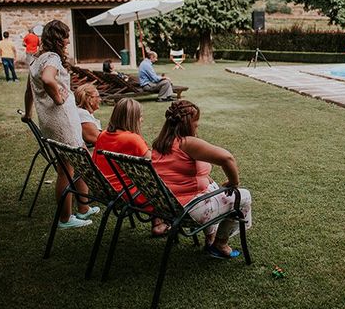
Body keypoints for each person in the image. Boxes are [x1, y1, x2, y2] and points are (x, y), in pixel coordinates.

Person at [152, 100, 252, 259]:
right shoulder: (186, 143)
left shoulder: (160, 143)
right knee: (243, 196)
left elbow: (179, 172)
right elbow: (227, 158)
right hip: (189, 210)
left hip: (166, 206)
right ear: (187, 123)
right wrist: (233, 183)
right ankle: (220, 244)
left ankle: (210, 238)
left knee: (211, 188)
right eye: (196, 124)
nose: (197, 127)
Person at [24, 19, 99, 229]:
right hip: (62, 120)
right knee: (66, 170)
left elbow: (29, 91)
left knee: (79, 158)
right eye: (66, 35)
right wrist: (58, 98)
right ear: (60, 38)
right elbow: (48, 80)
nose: (68, 39)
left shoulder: (36, 60)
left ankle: (83, 208)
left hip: (50, 120)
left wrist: (29, 113)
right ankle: (65, 218)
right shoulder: (52, 58)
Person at [92, 97, 169, 237]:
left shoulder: (103, 135)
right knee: (164, 181)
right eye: (140, 117)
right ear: (131, 119)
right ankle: (160, 221)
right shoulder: (132, 139)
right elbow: (155, 164)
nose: (142, 120)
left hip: (105, 189)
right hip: (126, 193)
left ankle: (158, 221)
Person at [74, 83, 102, 147]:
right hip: (90, 154)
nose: (100, 99)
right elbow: (98, 139)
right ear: (89, 99)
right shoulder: (82, 114)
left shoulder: (81, 112)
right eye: (98, 96)